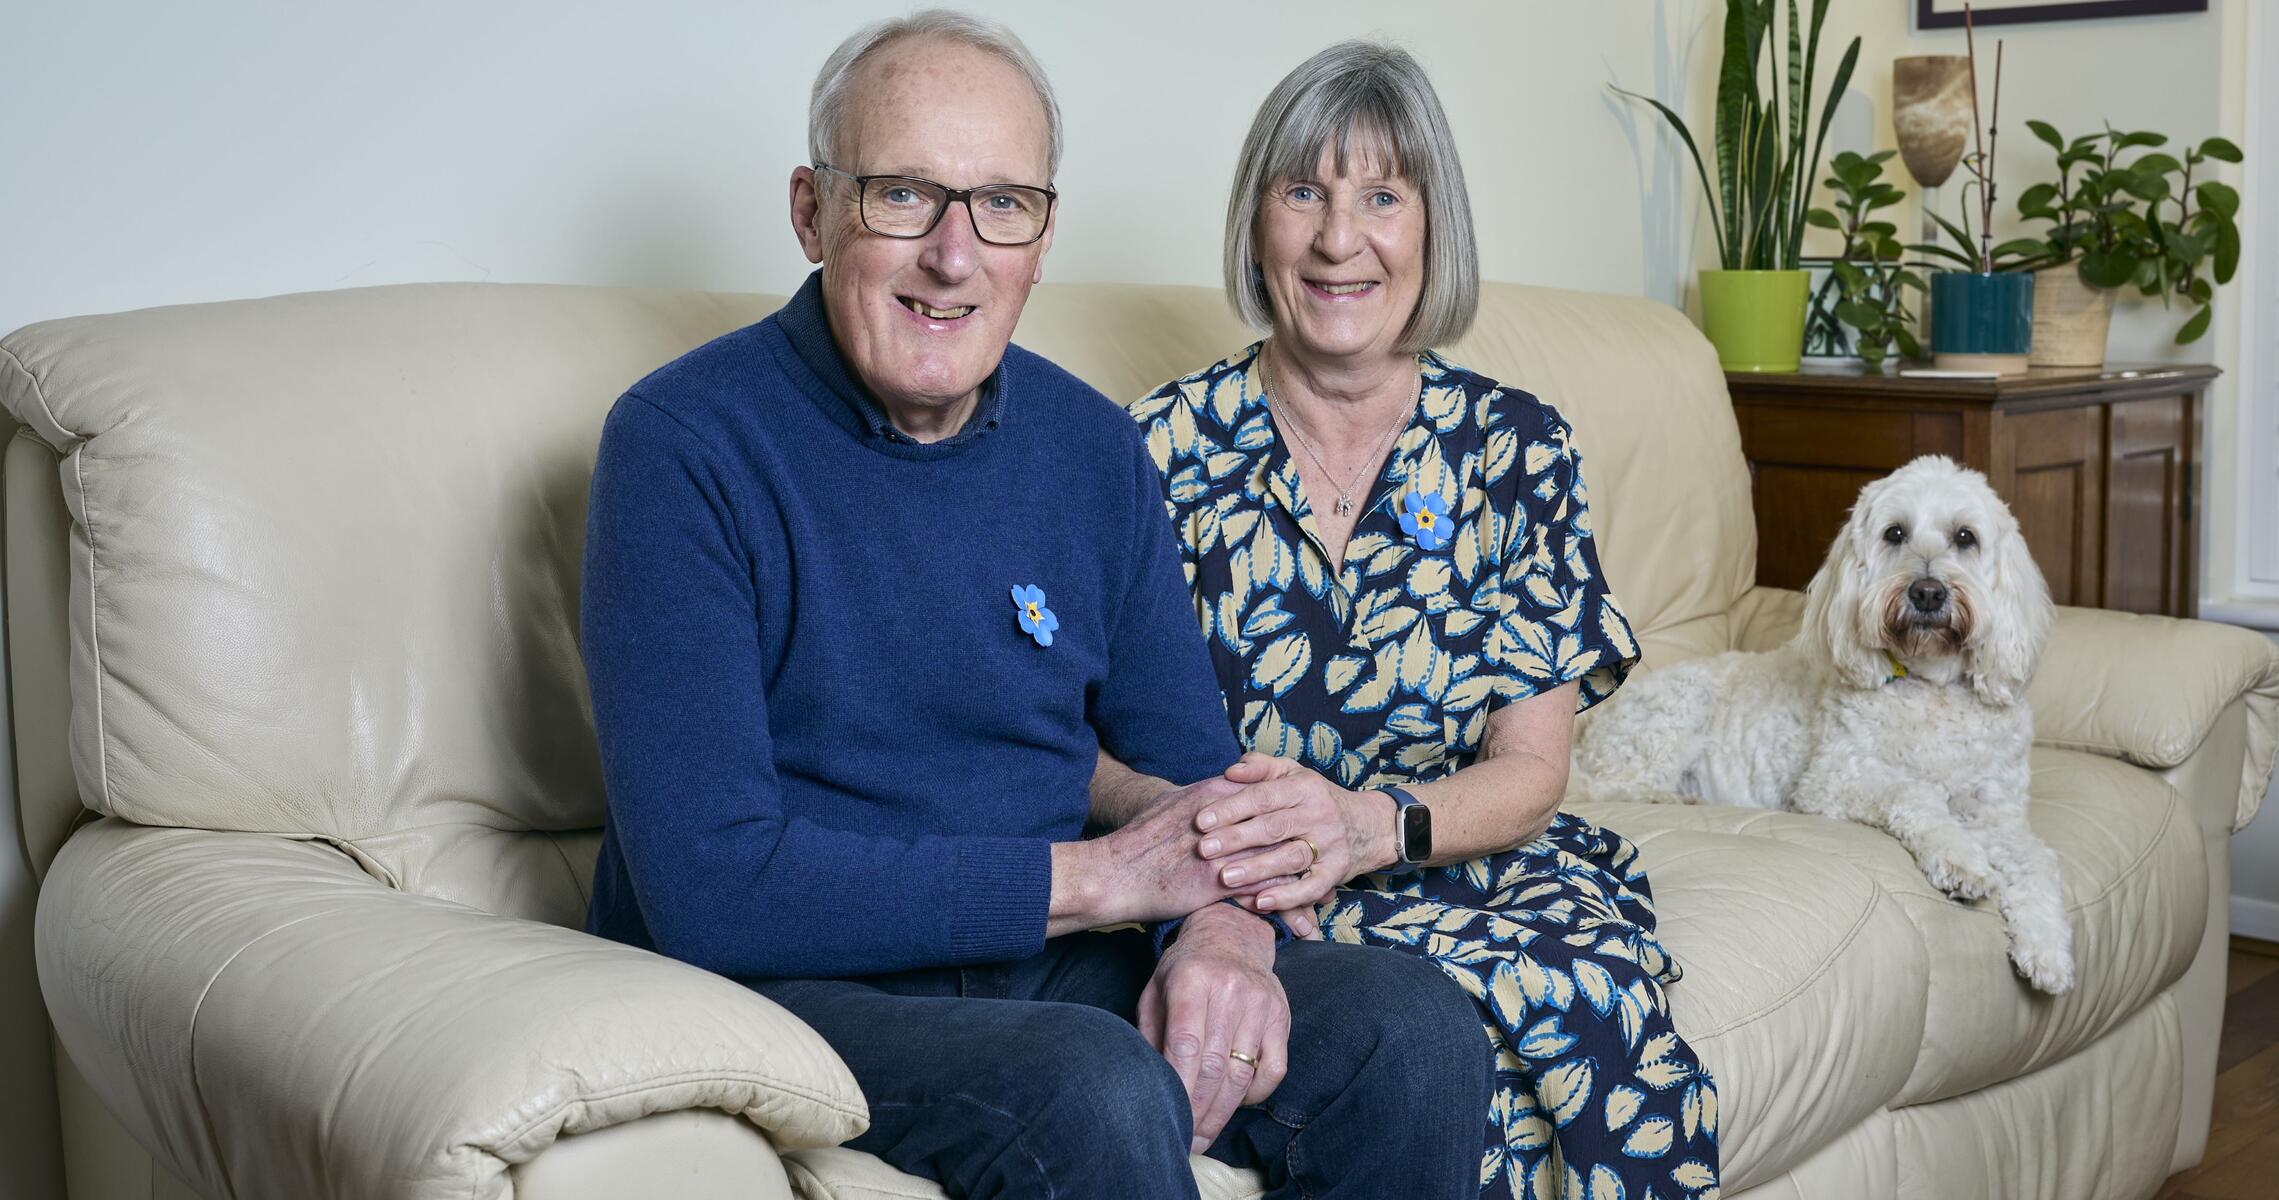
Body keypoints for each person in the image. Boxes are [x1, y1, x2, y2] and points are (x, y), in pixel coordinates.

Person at [578, 12, 1492, 1199]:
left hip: (1039, 964)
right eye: (902, 195)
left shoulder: (1092, 448)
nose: (953, 255)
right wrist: (1106, 882)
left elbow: (1194, 779)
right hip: (800, 983)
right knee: (1092, 1086)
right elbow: (712, 887)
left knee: (1408, 1031)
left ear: (1043, 235)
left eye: (1002, 204)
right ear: (811, 211)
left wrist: (1222, 935)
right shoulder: (682, 445)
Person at [1124, 41, 1721, 1200]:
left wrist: (1366, 828)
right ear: (1256, 223)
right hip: (1249, 895)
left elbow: (1532, 768)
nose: (1339, 239)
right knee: (1443, 1081)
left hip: (1454, 856)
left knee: (1606, 1028)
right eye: (1304, 193)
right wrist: (1236, 860)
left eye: (1383, 197)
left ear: (1435, 225)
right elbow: (1090, 737)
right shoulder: (1154, 449)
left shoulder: (1518, 449)